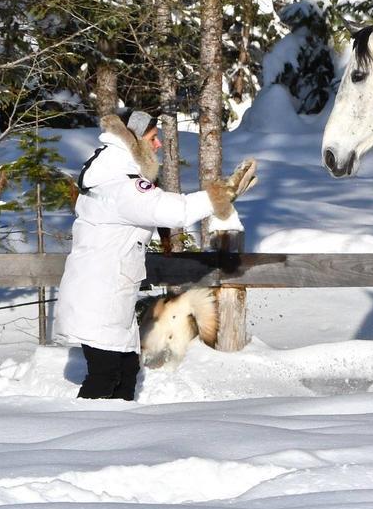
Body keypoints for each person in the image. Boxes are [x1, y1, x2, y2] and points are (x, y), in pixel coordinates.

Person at [55, 109, 258, 400]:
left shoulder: (110, 176)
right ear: (134, 141)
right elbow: (177, 210)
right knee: (106, 376)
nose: (159, 144)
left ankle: (113, 437)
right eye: (153, 137)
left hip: (106, 292)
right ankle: (85, 440)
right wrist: (222, 193)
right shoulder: (122, 186)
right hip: (101, 294)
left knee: (125, 373)